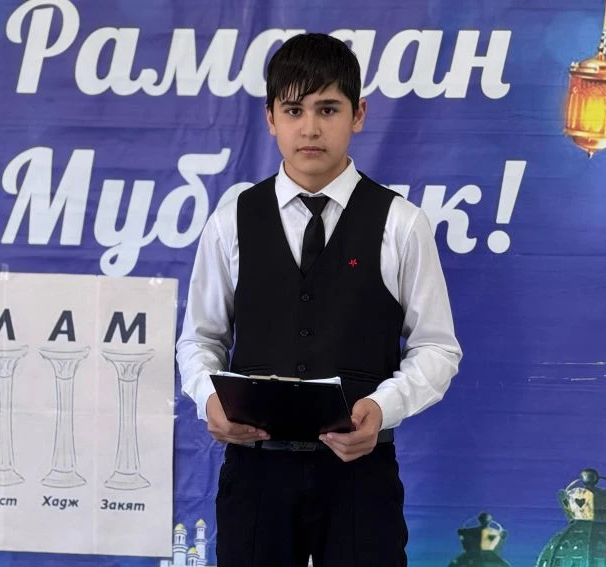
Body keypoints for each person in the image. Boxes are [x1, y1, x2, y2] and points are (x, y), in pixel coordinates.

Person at [175, 32, 462, 567]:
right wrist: (208, 398)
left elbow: (437, 347)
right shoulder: (231, 221)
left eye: (328, 109)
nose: (310, 128)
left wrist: (384, 406)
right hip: (255, 475)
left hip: (360, 476)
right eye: (294, 110)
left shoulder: (401, 223)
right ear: (270, 118)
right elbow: (200, 338)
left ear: (358, 114)